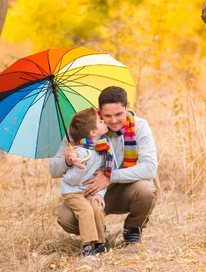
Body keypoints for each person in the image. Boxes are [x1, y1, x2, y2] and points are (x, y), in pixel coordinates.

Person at [49, 86, 158, 245]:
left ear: (127, 106)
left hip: (124, 190)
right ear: (100, 110)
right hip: (88, 193)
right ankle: (101, 233)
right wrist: (67, 161)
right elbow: (53, 170)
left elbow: (150, 168)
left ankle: (132, 229)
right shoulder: (83, 128)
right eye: (107, 116)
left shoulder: (140, 127)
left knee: (146, 191)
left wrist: (109, 176)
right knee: (65, 218)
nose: (113, 121)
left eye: (118, 114)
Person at [59, 107, 110, 257]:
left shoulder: (101, 148)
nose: (104, 121)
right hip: (72, 191)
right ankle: (88, 246)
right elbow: (70, 179)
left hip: (87, 189)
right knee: (85, 210)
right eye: (100, 121)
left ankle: (101, 243)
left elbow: (103, 176)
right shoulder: (80, 152)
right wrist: (79, 167)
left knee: (96, 206)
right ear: (93, 132)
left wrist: (99, 194)